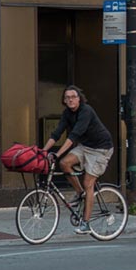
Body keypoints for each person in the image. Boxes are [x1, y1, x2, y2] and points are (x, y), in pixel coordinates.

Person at [42, 85, 113, 235]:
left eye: (73, 97)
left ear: (79, 98)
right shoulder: (67, 113)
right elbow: (56, 134)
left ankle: (86, 223)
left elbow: (73, 135)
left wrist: (57, 153)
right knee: (64, 163)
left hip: (101, 148)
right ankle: (80, 193)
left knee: (88, 183)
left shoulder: (86, 111)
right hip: (85, 146)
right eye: (67, 97)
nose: (70, 100)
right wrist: (43, 151)